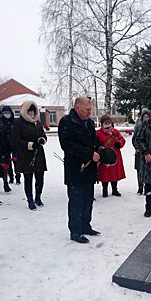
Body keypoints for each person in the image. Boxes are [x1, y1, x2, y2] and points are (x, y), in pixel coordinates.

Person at [58, 96, 101, 244]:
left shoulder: (89, 123)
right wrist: (89, 154)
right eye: (87, 110)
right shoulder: (67, 122)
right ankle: (75, 231)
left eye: (90, 109)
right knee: (76, 201)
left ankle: (85, 226)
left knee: (88, 200)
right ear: (77, 108)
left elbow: (94, 142)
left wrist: (100, 151)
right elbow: (67, 145)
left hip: (89, 169)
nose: (90, 112)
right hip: (75, 169)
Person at [12, 101, 47, 210]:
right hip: (26, 154)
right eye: (29, 111)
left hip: (39, 154)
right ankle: (30, 199)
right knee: (28, 178)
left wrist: (42, 140)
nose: (31, 114)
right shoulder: (19, 123)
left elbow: (43, 135)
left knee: (40, 177)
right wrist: (30, 145)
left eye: (33, 112)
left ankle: (38, 196)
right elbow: (16, 139)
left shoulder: (37, 123)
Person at [96, 114, 126, 197]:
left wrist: (119, 143)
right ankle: (104, 190)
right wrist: (99, 148)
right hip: (104, 155)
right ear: (102, 123)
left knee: (114, 173)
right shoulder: (98, 133)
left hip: (114, 154)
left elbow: (122, 140)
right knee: (104, 173)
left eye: (109, 122)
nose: (108, 123)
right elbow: (95, 143)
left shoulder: (115, 132)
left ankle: (114, 189)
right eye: (106, 122)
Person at [0, 105, 21, 188]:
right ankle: (10, 177)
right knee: (7, 163)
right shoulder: (0, 121)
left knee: (16, 161)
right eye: (5, 113)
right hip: (5, 145)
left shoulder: (15, 121)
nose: (7, 114)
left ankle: (18, 177)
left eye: (8, 113)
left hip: (15, 144)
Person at [132, 108, 151, 194]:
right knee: (139, 170)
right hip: (140, 152)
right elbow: (135, 139)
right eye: (144, 116)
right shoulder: (139, 127)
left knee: (148, 171)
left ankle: (147, 186)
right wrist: (137, 148)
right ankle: (140, 187)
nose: (146, 118)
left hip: (149, 152)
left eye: (147, 116)